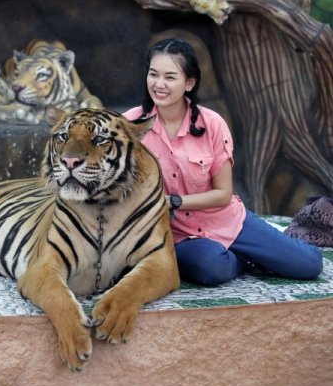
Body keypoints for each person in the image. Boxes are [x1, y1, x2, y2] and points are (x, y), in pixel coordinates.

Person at [123, 38, 323, 286]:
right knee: (212, 268)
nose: (159, 84)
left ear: (189, 83)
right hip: (174, 234)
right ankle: (245, 259)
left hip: (224, 219)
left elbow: (222, 194)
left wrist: (172, 201)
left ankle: (252, 250)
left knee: (309, 265)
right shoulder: (129, 125)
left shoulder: (212, 123)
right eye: (153, 74)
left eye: (170, 77)